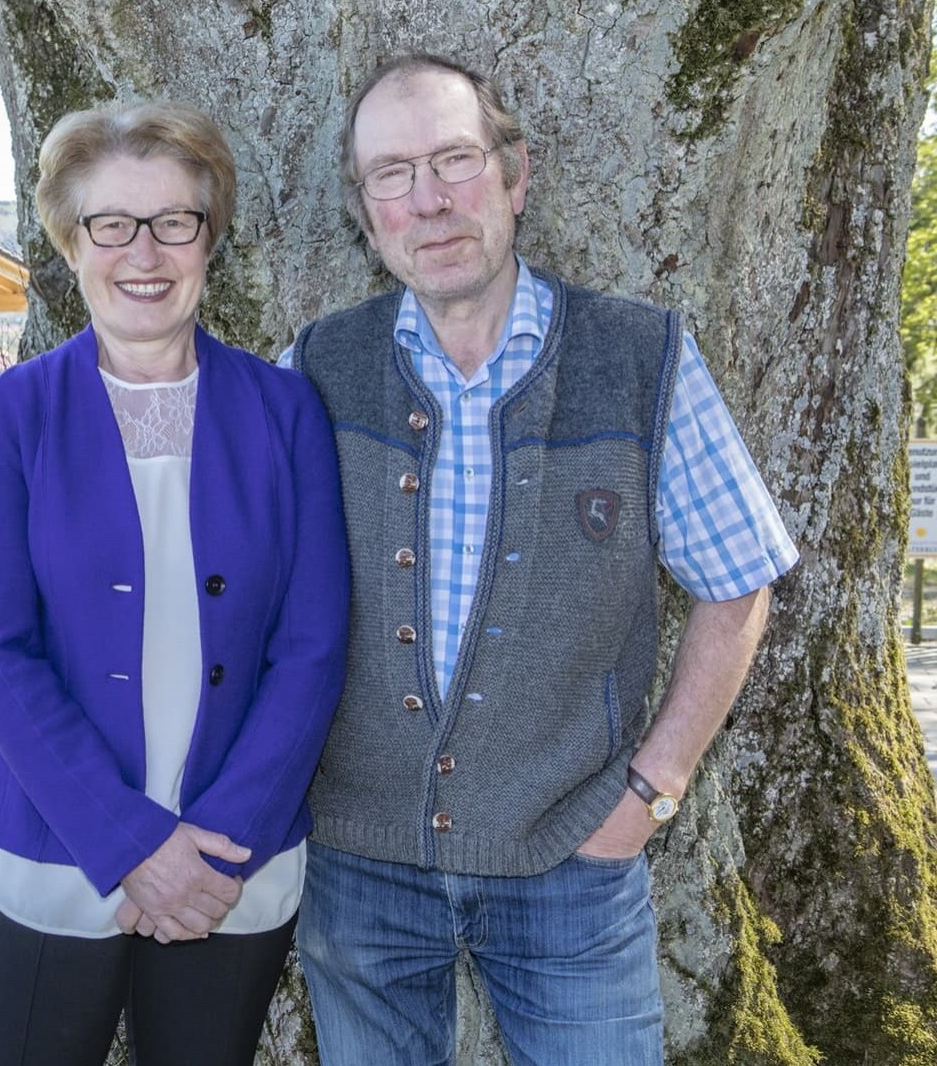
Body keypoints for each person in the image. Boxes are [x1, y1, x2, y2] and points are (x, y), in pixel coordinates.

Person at [284, 53, 800, 1065]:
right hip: (359, 865)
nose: (428, 200)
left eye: (454, 160)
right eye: (392, 172)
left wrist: (651, 790)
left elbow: (738, 581)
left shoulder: (640, 358)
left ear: (516, 174)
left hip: (573, 858)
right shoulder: (314, 368)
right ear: (364, 208)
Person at [0, 101, 349, 1066]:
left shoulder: (286, 410)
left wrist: (215, 846)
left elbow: (313, 646)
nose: (145, 252)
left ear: (210, 241)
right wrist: (131, 844)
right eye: (111, 224)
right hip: (56, 852)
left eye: (176, 222)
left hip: (232, 870)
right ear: (70, 244)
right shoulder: (10, 415)